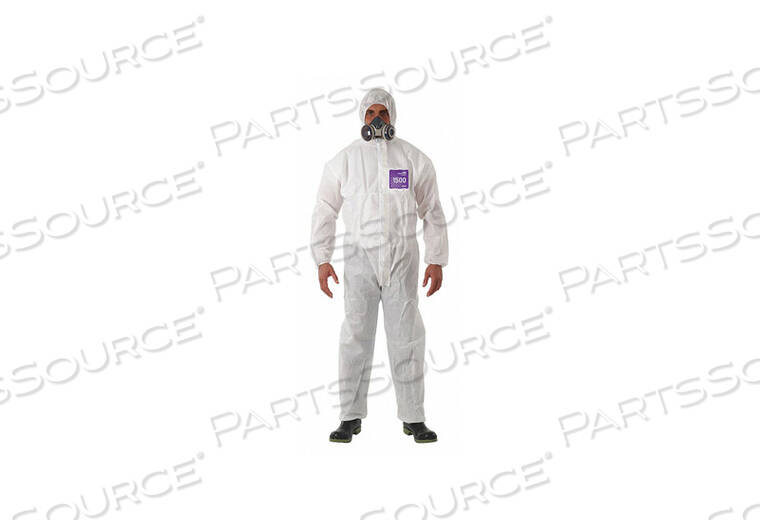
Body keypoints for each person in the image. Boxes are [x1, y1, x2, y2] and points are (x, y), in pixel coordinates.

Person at [310, 87, 449, 444]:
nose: (376, 120)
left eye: (382, 113)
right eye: (370, 113)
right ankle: (349, 416)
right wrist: (322, 259)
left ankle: (413, 417)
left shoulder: (413, 159)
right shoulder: (344, 161)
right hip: (360, 259)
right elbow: (325, 209)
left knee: (407, 337)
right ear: (362, 117)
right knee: (355, 337)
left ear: (392, 116)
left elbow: (432, 211)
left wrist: (436, 259)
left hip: (403, 258)